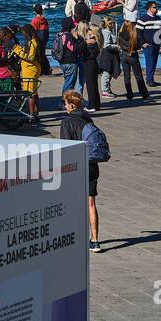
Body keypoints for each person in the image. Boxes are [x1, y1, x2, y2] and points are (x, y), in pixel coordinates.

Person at [59, 90, 102, 253]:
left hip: (76, 165)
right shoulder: (87, 118)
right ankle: (95, 240)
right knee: (91, 203)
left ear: (71, 104)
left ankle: (74, 237)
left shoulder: (67, 121)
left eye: (65, 103)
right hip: (91, 164)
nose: (65, 106)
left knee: (73, 203)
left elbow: (66, 148)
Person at [11, 23, 42, 117]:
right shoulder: (32, 41)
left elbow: (31, 57)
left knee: (30, 93)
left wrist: (17, 50)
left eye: (24, 33)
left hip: (31, 70)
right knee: (34, 92)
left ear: (28, 33)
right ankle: (35, 113)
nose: (23, 35)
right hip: (31, 69)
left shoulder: (33, 42)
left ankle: (31, 115)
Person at [54, 17, 84, 95]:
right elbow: (74, 48)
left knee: (67, 81)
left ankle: (65, 101)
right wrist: (84, 42)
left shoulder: (59, 35)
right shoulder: (68, 36)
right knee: (69, 84)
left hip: (62, 62)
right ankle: (64, 102)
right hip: (70, 62)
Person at [137, 1, 161, 86]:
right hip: (148, 44)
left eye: (156, 7)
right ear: (149, 8)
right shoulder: (142, 19)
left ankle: (151, 79)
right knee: (150, 62)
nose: (156, 9)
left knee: (154, 62)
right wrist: (142, 43)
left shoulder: (158, 19)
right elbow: (138, 32)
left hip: (156, 44)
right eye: (154, 7)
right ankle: (149, 80)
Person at [80, 24, 101, 112]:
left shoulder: (92, 42)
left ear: (93, 32)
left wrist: (85, 43)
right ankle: (96, 104)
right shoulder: (96, 41)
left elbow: (87, 52)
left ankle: (92, 105)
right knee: (94, 85)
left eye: (89, 30)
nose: (88, 31)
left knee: (90, 85)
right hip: (93, 63)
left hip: (90, 63)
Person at [31, 5, 50, 75]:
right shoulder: (44, 20)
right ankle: (46, 69)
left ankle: (41, 70)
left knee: (38, 55)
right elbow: (47, 30)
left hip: (38, 39)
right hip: (44, 39)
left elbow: (32, 31)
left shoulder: (34, 20)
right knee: (42, 54)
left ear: (34, 12)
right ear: (42, 11)